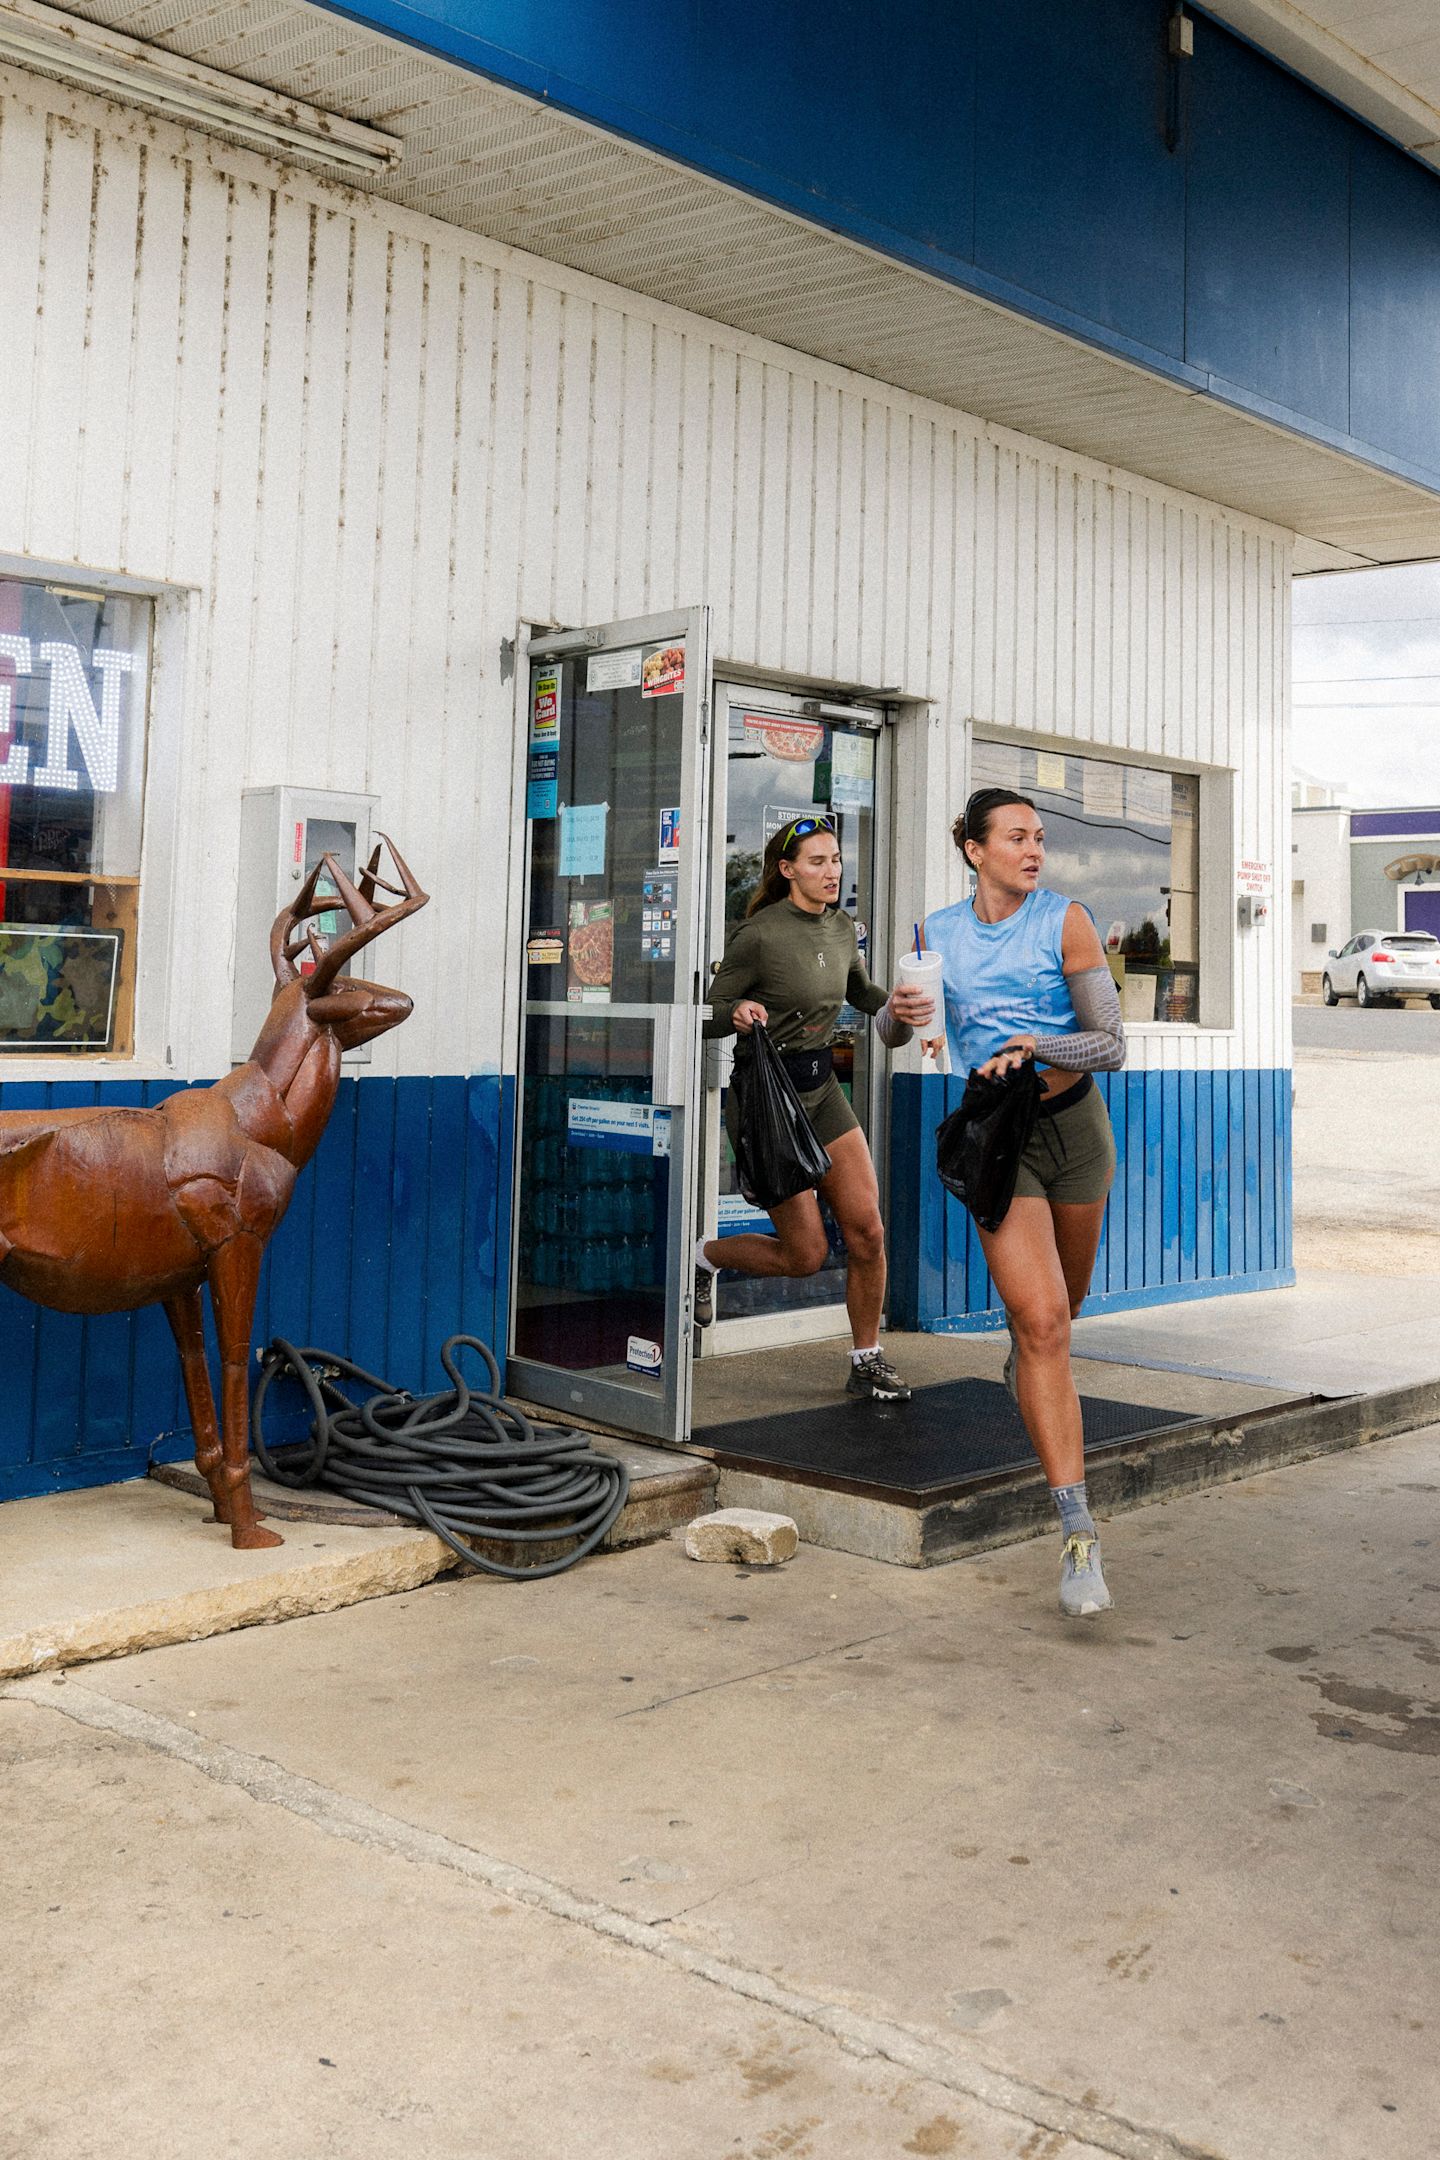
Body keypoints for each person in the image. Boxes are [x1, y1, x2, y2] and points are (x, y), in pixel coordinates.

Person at [923, 787, 1126, 1617]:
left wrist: (1039, 1043)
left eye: (1039, 837)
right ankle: (1078, 1532)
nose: (1034, 850)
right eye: (1016, 837)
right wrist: (901, 1021)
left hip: (1075, 1130)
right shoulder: (935, 934)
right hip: (995, 1141)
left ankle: (1030, 1360)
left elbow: (1112, 1043)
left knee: (1062, 1312)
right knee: (1042, 1321)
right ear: (974, 849)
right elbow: (909, 1028)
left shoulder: (1065, 921)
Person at [696, 815, 935, 1400]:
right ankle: (703, 1261)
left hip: (824, 1091)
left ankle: (866, 1358)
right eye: (817, 862)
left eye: (836, 861)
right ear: (787, 871)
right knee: (806, 1255)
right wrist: (738, 1013)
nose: (832, 872)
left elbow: (859, 992)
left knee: (868, 1232)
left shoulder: (842, 927)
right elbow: (709, 1008)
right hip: (768, 1099)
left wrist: (899, 1005)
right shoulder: (759, 934)